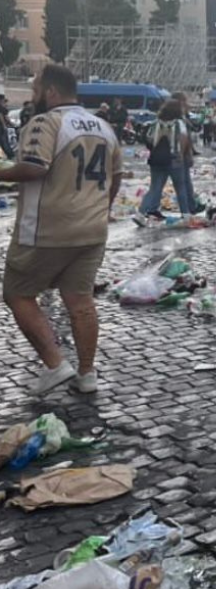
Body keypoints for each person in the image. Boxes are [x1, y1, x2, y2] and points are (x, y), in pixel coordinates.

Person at [2, 64, 122, 395]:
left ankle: (56, 365)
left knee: (17, 293)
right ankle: (86, 374)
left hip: (46, 230)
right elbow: (117, 177)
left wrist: (3, 173)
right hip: (92, 231)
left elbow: (33, 168)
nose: (33, 96)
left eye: (36, 89)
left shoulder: (45, 122)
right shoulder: (103, 126)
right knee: (81, 301)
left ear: (51, 92)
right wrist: (102, 209)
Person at [135, 100, 192, 224]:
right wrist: (181, 153)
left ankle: (140, 214)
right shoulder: (179, 123)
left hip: (157, 159)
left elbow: (149, 139)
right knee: (180, 187)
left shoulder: (155, 123)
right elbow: (183, 138)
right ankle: (186, 215)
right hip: (174, 159)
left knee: (154, 188)